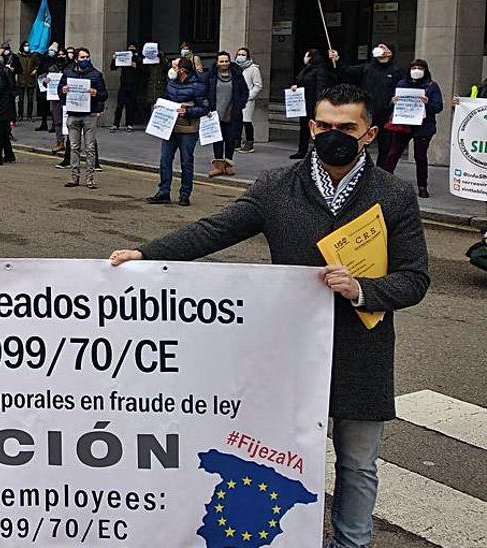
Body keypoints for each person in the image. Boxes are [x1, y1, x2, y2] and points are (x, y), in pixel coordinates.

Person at [111, 83, 429, 548]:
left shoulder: (394, 195)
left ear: (370, 133)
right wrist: (147, 253)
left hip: (362, 349)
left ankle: (351, 543)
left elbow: (415, 278)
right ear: (311, 126)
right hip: (290, 352)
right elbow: (215, 230)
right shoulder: (277, 187)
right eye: (325, 126)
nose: (333, 134)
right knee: (275, 457)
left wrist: (365, 290)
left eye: (347, 127)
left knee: (358, 464)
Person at [148, 56, 210, 206]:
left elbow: (205, 108)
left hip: (188, 129)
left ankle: (185, 194)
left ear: (182, 70)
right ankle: (164, 191)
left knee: (186, 161)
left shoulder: (197, 86)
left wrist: (188, 111)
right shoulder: (171, 84)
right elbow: (165, 99)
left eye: (175, 67)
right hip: (170, 128)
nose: (172, 70)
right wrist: (158, 106)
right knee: (165, 160)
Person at [378, 59, 442, 198]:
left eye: (420, 68)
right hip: (403, 124)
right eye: (414, 67)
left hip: (423, 127)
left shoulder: (431, 87)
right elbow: (391, 104)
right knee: (393, 153)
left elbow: (438, 107)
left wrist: (427, 103)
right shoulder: (402, 84)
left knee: (420, 156)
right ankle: (386, 182)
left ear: (425, 71)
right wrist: (393, 102)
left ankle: (422, 186)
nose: (416, 70)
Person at [330, 43, 403, 157]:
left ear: (389, 53)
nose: (379, 49)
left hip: (386, 115)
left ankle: (383, 171)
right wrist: (337, 59)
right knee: (361, 143)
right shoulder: (366, 68)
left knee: (385, 148)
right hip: (367, 113)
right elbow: (346, 71)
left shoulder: (397, 71)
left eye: (383, 47)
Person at [58, 48, 107, 188]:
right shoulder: (68, 73)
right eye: (82, 57)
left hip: (89, 115)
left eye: (87, 57)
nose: (85, 60)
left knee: (90, 147)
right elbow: (60, 91)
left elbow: (104, 95)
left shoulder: (96, 75)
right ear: (76, 59)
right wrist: (63, 90)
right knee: (74, 147)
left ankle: (90, 178)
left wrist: (96, 93)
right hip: (73, 114)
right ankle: (74, 177)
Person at [205, 51, 249, 177]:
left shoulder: (237, 75)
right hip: (214, 114)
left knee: (230, 140)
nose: (224, 63)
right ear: (217, 63)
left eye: (226, 61)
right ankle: (218, 167)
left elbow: (244, 92)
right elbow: (205, 92)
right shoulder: (211, 76)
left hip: (232, 114)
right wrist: (206, 107)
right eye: (221, 61)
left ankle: (228, 165)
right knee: (217, 141)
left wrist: (240, 105)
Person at [290, 49, 337, 160]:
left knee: (317, 130)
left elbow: (320, 88)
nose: (305, 58)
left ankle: (319, 152)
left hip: (313, 104)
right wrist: (296, 87)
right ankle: (302, 151)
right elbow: (301, 82)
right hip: (304, 104)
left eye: (307, 56)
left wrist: (318, 105)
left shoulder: (320, 70)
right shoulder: (306, 69)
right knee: (304, 128)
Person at [235, 47, 263, 153]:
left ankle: (249, 143)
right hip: (236, 99)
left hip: (247, 100)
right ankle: (236, 142)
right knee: (236, 121)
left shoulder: (254, 69)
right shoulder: (235, 68)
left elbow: (258, 85)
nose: (240, 56)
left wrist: (249, 95)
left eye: (243, 55)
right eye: (239, 54)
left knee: (246, 121)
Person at [34, 43, 62, 133]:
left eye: (53, 51)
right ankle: (44, 123)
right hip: (44, 85)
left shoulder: (57, 61)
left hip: (54, 86)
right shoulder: (44, 60)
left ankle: (54, 124)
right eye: (50, 50)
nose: (51, 52)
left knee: (53, 106)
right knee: (44, 105)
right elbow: (40, 70)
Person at [17, 41, 38, 122]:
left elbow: (37, 64)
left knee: (30, 99)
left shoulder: (33, 56)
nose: (27, 47)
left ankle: (29, 115)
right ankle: (20, 115)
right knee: (20, 99)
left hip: (30, 79)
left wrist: (35, 70)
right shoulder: (19, 56)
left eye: (28, 46)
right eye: (25, 46)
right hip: (21, 79)